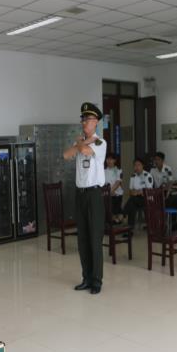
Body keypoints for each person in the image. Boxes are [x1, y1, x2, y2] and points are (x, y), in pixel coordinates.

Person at [63, 102, 106, 295]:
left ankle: (96, 280)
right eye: (82, 119)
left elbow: (85, 151)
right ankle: (86, 278)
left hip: (94, 195)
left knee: (95, 239)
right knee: (83, 239)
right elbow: (66, 155)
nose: (83, 123)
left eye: (87, 119)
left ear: (95, 122)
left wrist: (80, 142)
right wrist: (81, 142)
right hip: (80, 195)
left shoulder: (100, 142)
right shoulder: (82, 142)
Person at [123, 158, 153, 231]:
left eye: (138, 165)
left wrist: (138, 192)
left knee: (132, 200)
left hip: (147, 199)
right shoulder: (133, 176)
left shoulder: (147, 175)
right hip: (136, 199)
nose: (136, 167)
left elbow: (149, 191)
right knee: (132, 204)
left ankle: (123, 215)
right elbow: (130, 191)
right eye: (135, 165)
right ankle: (130, 229)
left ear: (143, 166)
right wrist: (138, 192)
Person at [104, 152, 123, 223]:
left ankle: (117, 217)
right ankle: (114, 218)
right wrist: (108, 192)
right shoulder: (103, 171)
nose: (109, 161)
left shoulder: (119, 170)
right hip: (106, 194)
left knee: (115, 204)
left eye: (111, 159)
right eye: (107, 159)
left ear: (114, 160)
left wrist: (111, 191)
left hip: (116, 193)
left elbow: (118, 182)